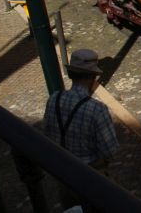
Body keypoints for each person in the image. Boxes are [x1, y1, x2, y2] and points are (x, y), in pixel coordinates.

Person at [43, 49, 119, 210]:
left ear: (71, 75)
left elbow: (47, 135)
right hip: (91, 178)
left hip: (64, 177)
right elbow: (110, 150)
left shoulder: (54, 99)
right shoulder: (97, 109)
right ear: (93, 77)